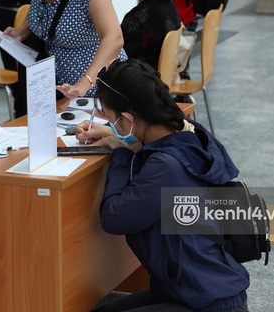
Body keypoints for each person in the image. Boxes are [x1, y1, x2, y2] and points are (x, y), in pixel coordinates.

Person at [76, 59, 249, 312]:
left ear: (127, 118)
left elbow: (114, 218)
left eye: (110, 118)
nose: (110, 124)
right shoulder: (188, 134)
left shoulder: (166, 166)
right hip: (193, 289)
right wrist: (121, 139)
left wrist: (122, 154)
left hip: (207, 302)